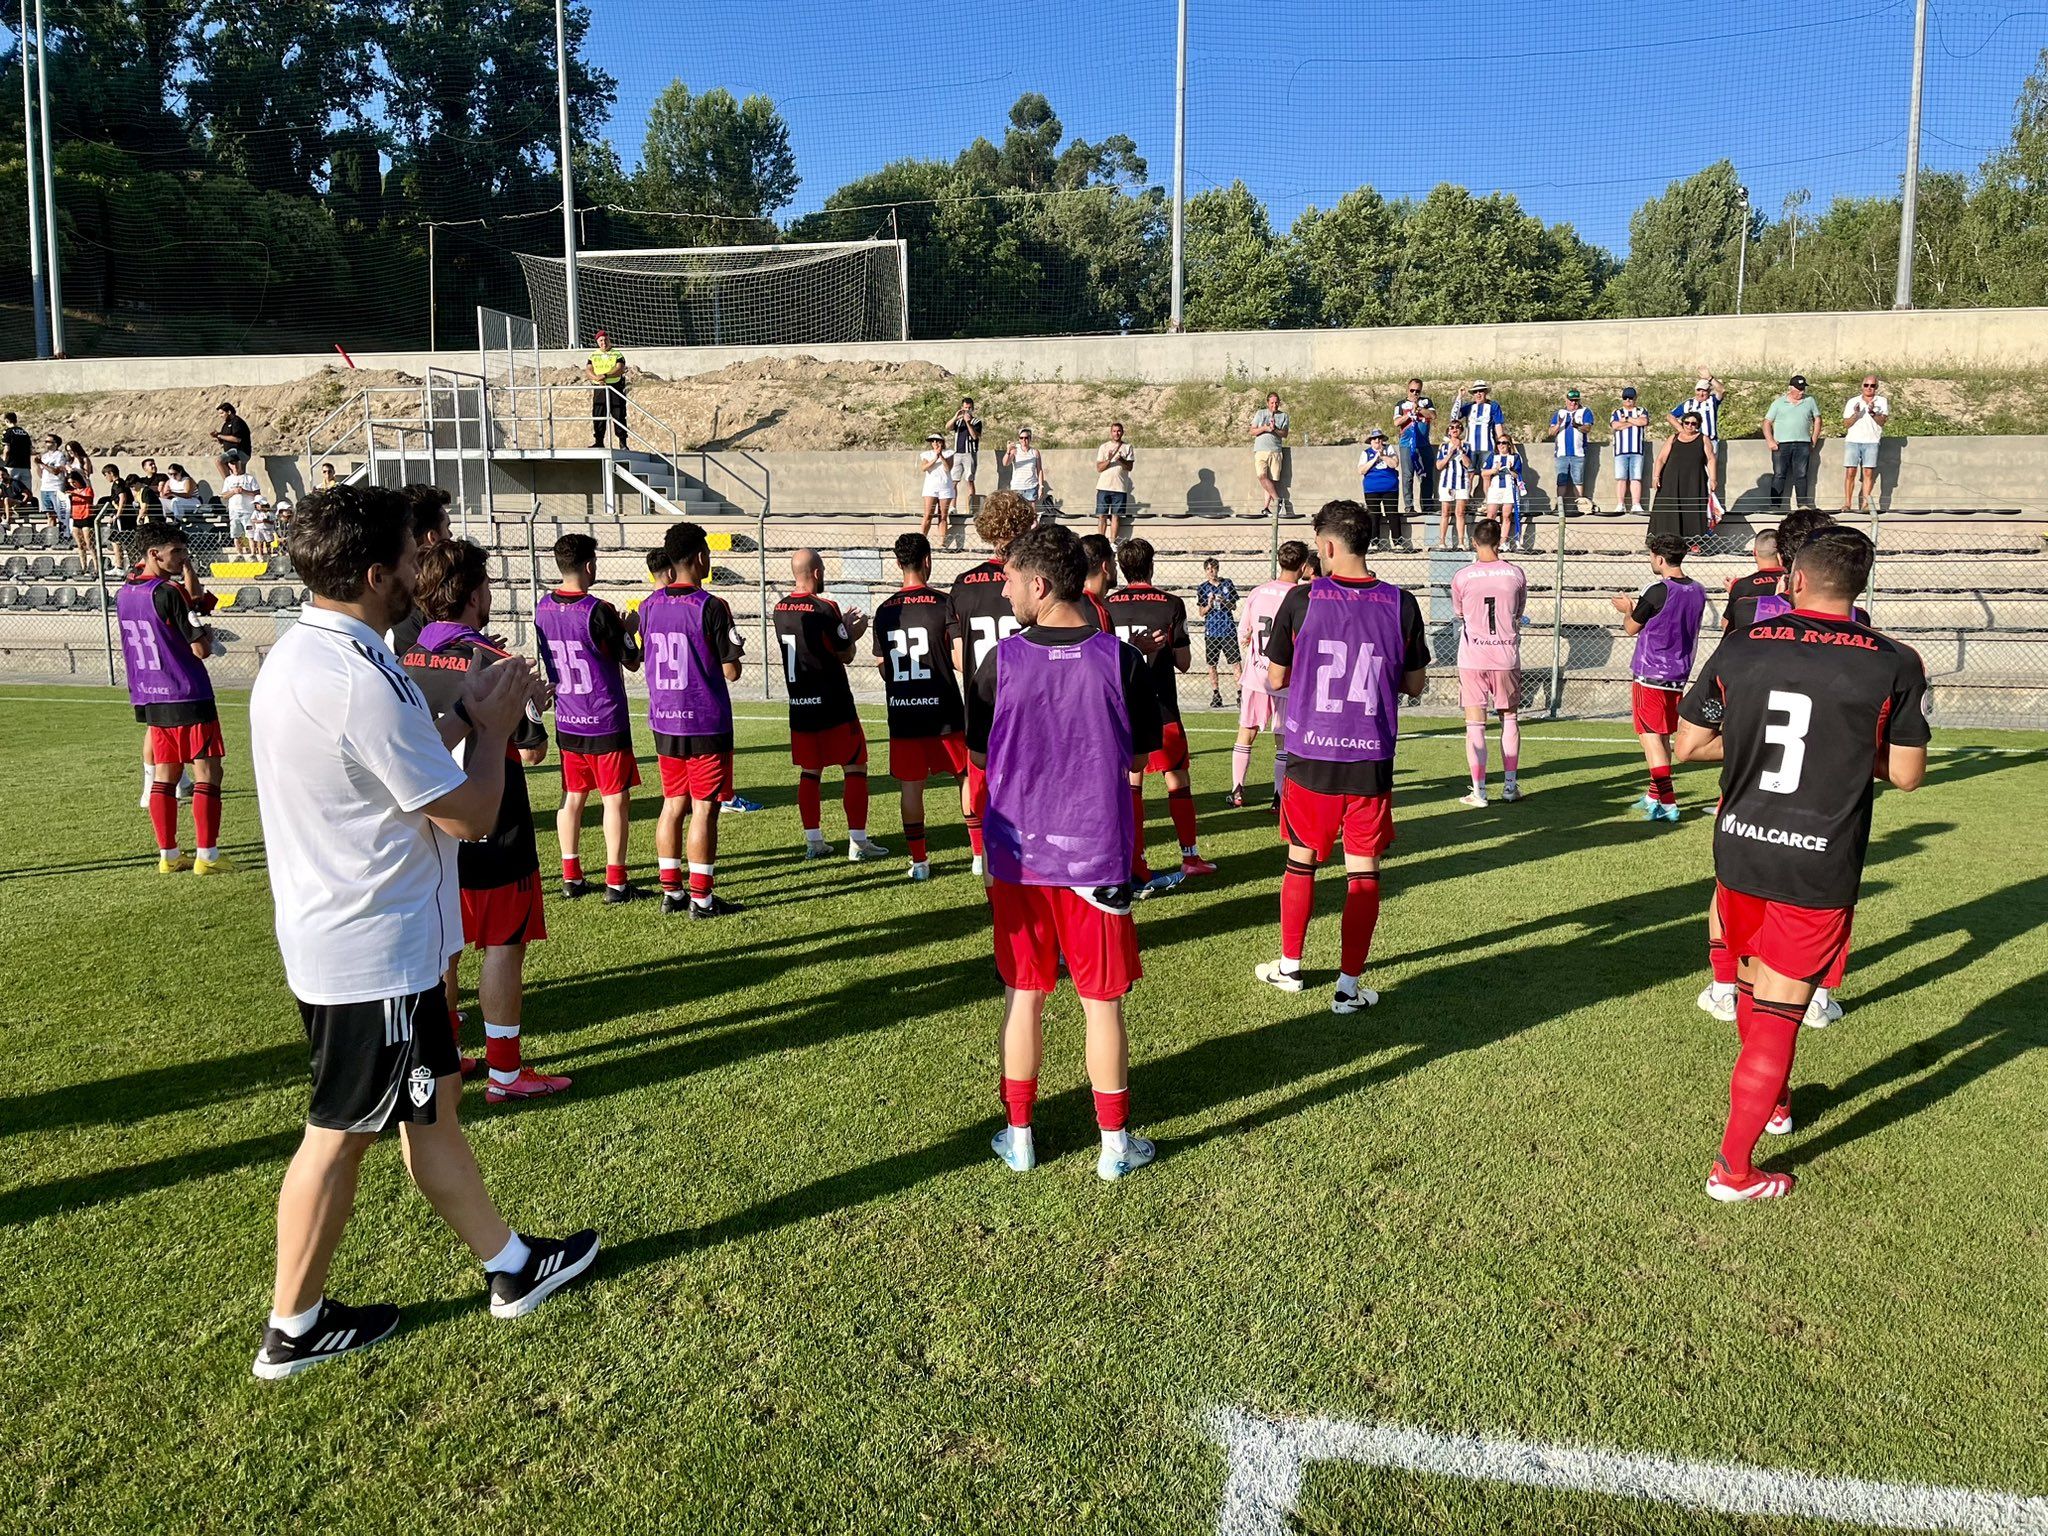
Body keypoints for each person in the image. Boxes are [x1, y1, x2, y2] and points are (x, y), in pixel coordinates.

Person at [246, 484, 596, 1379]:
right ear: (373, 573)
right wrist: (497, 726)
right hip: (376, 948)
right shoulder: (354, 676)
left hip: (359, 938)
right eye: (409, 555)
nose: (420, 568)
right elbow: (472, 815)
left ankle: (512, 1265)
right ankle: (294, 1326)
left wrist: (463, 706)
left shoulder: (311, 655)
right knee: (340, 1131)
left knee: (432, 1107)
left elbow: (396, 742)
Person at [1676, 527, 1928, 1201]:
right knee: (1783, 1007)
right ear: (1860, 588)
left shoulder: (1743, 643)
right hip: (1816, 858)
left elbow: (1689, 742)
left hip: (1741, 844)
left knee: (1758, 988)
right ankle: (1733, 1171)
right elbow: (1905, 775)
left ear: (1796, 581)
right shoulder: (1893, 660)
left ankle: (1779, 1103)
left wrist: (1750, 743)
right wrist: (1844, 754)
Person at [968, 523, 1161, 1182]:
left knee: (1025, 993)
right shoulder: (1124, 660)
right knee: (1099, 1003)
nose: (1006, 594)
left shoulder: (1000, 663)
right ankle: (1113, 1146)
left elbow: (978, 759)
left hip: (1019, 856)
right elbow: (1135, 761)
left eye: (1011, 582)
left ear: (1041, 585)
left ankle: (1019, 1135)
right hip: (1094, 859)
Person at [398, 540, 570, 1107]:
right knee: (503, 941)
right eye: (489, 586)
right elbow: (532, 750)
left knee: (446, 941)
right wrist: (533, 703)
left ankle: (446, 1056)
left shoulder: (402, 657)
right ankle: (505, 1071)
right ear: (474, 594)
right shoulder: (492, 660)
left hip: (429, 823)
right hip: (494, 822)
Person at [1255, 499, 1430, 1013]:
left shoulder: (1302, 599)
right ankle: (1348, 988)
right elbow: (1415, 685)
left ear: (1327, 546)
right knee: (1364, 871)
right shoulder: (1401, 603)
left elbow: (1276, 678)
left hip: (1311, 753)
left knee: (1301, 859)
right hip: (1370, 757)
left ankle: (1290, 967)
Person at [642, 522, 745, 917]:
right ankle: (702, 899)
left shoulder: (649, 605)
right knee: (703, 809)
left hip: (665, 720)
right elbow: (731, 671)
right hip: (704, 721)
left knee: (672, 804)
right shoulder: (711, 605)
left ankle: (672, 891)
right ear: (700, 557)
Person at [538, 533, 642, 904]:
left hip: (568, 718)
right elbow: (631, 661)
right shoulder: (599, 611)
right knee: (615, 799)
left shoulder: (542, 607)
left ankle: (571, 876)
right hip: (603, 718)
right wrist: (628, 630)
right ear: (588, 565)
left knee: (573, 798)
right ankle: (616, 882)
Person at [118, 522, 227, 874]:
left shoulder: (124, 593)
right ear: (155, 554)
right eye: (177, 552)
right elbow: (200, 649)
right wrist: (208, 637)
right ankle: (207, 857)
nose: (183, 558)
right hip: (187, 692)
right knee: (208, 773)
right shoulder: (167, 591)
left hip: (151, 692)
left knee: (164, 776)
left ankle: (168, 855)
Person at [1108, 538, 1215, 888]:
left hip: (1123, 709)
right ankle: (1190, 856)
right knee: (1177, 779)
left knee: (1132, 784)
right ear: (1151, 565)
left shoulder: (1106, 606)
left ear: (1120, 567)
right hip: (1162, 707)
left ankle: (1137, 859)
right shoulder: (1170, 604)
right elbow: (1183, 663)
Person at [776, 548, 886, 862]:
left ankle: (814, 842)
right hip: (834, 704)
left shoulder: (779, 608)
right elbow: (845, 654)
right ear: (817, 572)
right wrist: (852, 634)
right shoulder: (825, 607)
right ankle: (859, 843)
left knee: (810, 772)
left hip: (800, 704)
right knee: (855, 766)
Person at [950, 492, 1039, 875]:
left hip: (984, 701)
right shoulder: (1034, 579)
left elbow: (958, 658)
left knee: (982, 784)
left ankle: (978, 855)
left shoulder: (963, 584)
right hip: (1029, 699)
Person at [872, 531, 969, 881]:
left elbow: (884, 668)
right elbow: (959, 660)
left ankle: (919, 861)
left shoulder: (884, 612)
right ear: (928, 560)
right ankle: (977, 854)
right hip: (944, 709)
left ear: (899, 564)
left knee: (911, 787)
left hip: (904, 712)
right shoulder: (944, 604)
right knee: (965, 775)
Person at [1611, 533, 1706, 823]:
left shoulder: (1657, 590)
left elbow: (1631, 628)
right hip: (1679, 674)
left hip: (1651, 673)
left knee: (1651, 740)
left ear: (1660, 558)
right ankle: (1654, 795)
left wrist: (1627, 610)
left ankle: (1667, 802)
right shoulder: (1699, 590)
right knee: (1662, 736)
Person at [1227, 539, 1313, 810]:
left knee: (1246, 734)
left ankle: (1237, 791)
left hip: (1257, 677)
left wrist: (1252, 644)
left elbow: (1243, 634)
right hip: (1287, 678)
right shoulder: (1303, 597)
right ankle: (1278, 797)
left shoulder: (1258, 592)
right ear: (1303, 567)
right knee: (1283, 741)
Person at [1450, 518, 1527, 807]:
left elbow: (1459, 613)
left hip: (1473, 657)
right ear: (1500, 541)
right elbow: (1519, 610)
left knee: (1475, 724)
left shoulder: (1462, 576)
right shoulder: (1515, 573)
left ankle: (1479, 791)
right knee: (1509, 718)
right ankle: (1509, 786)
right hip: (1505, 656)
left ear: (1473, 541)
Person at [386, 485, 455, 654]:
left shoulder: (387, 594)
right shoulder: (430, 601)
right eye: (447, 527)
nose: (451, 535)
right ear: (433, 538)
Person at [1649, 410, 1715, 545]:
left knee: (1692, 511)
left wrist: (1713, 479)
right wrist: (1656, 476)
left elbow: (1711, 459)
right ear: (1682, 423)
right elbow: (1661, 458)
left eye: (1693, 424)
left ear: (1698, 425)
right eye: (1687, 423)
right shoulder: (1673, 438)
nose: (1690, 426)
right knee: (1667, 510)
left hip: (1694, 481)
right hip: (1671, 480)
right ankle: (1663, 542)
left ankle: (1694, 543)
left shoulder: (1703, 439)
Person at [1762, 374, 1823, 512]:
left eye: (1803, 389)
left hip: (1802, 443)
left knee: (1801, 475)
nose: (1801, 392)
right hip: (1782, 444)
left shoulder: (1810, 401)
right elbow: (1767, 423)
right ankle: (1775, 506)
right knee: (1779, 474)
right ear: (1790, 388)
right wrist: (1770, 440)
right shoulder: (1778, 403)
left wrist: (1813, 439)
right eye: (1798, 389)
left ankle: (1802, 506)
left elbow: (1817, 419)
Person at [1194, 557, 1241, 708]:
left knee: (1235, 663)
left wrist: (1224, 602)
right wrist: (1209, 604)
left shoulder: (1227, 583)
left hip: (1227, 629)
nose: (1211, 572)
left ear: (1218, 569)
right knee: (1212, 664)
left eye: (1213, 568)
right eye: (1208, 569)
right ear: (1205, 571)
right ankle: (1216, 694)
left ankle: (1240, 694)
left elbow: (1233, 606)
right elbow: (1201, 612)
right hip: (1212, 631)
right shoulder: (1202, 588)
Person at [1544, 387, 1595, 517]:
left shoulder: (1585, 411)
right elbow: (1550, 432)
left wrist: (1577, 425)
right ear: (1566, 400)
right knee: (1561, 481)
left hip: (1578, 453)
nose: (1573, 403)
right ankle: (1559, 506)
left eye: (1576, 401)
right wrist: (1558, 425)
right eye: (1571, 401)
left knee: (1578, 481)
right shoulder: (1559, 413)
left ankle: (1580, 506)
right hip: (1561, 453)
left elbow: (1588, 428)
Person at [1841, 374, 1889, 512]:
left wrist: (1873, 413)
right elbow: (1846, 424)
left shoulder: (1882, 401)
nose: (1869, 388)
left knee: (1868, 473)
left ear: (1876, 387)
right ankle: (1847, 503)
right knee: (1851, 472)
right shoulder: (1853, 402)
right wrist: (1856, 414)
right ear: (1862, 386)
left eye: (1872, 385)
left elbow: (1882, 422)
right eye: (1866, 385)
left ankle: (1865, 504)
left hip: (1871, 441)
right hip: (1853, 440)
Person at [1394, 379, 1436, 532]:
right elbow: (1396, 422)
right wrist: (1409, 414)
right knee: (1407, 475)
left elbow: (1432, 415)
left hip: (1423, 444)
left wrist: (1419, 410)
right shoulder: (1400, 404)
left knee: (1426, 475)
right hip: (1406, 444)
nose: (1414, 394)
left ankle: (1427, 504)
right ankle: (1409, 506)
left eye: (1417, 391)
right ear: (1407, 390)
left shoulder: (1426, 401)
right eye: (1412, 391)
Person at [1723, 530, 1784, 631]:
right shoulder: (1792, 581)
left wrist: (1734, 592)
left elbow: (1726, 625)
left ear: (1754, 552)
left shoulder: (1742, 586)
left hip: (1752, 642)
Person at [1481, 429, 1526, 550]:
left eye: (1504, 443)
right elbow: (1484, 473)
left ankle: (1503, 542)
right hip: (1495, 487)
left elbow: (1518, 475)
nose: (1501, 445)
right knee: (1490, 515)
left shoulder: (1515, 457)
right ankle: (1488, 541)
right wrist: (1494, 470)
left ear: (1509, 445)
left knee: (1506, 516)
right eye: (1499, 443)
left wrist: (1510, 470)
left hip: (1509, 488)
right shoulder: (1493, 456)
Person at [1356, 430, 1401, 551]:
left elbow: (1394, 464)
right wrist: (1375, 458)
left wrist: (1383, 456)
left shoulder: (1390, 449)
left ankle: (1397, 542)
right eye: (1374, 439)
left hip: (1390, 487)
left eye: (1380, 438)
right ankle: (1374, 542)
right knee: (1373, 515)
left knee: (1392, 514)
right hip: (1372, 488)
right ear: (1371, 441)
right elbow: (1361, 470)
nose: (1377, 441)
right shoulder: (1366, 453)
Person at [1610, 387, 1651, 515]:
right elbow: (1615, 425)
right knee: (1621, 478)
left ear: (1635, 399)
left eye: (1630, 398)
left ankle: (1636, 504)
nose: (1628, 400)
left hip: (1637, 450)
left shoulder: (1641, 410)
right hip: (1621, 451)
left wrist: (1626, 420)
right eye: (1625, 398)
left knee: (1636, 478)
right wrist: (1634, 422)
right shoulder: (1616, 412)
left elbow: (1643, 421)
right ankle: (1620, 504)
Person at [1435, 421, 1473, 551]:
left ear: (1461, 430)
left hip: (1462, 482)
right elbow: (1439, 466)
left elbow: (1468, 465)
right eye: (1452, 427)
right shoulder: (1443, 446)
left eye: (1457, 427)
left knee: (1460, 512)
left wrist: (1461, 451)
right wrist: (1450, 453)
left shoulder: (1467, 446)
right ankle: (1442, 541)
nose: (1454, 429)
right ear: (1448, 431)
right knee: (1445, 512)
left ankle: (1461, 542)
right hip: (1447, 482)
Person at [586, 329, 627, 449]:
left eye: (605, 339)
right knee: (598, 414)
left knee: (618, 414)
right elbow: (588, 370)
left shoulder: (617, 354)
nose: (604, 342)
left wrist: (606, 376)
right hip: (599, 388)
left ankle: (623, 443)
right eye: (601, 340)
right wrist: (597, 378)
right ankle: (599, 441)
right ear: (597, 342)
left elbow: (620, 368)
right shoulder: (593, 355)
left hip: (614, 387)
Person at [1094, 422, 1134, 540]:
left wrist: (1121, 459)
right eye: (1114, 431)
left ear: (1122, 432)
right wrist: (1109, 459)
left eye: (1119, 431)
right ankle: (1101, 541)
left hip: (1119, 487)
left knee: (1116, 516)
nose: (1117, 433)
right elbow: (1099, 468)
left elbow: (1130, 467)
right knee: (1102, 515)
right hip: (1104, 487)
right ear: (1111, 432)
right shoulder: (1104, 447)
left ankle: (1113, 541)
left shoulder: (1128, 447)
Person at [1452, 381, 1504, 472]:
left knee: (1486, 475)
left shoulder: (1493, 406)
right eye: (1475, 392)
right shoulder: (1469, 407)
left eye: (1481, 391)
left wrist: (1502, 444)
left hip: (1488, 448)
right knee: (1469, 474)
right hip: (1470, 448)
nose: (1478, 394)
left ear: (1486, 392)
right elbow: (1454, 417)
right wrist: (1459, 397)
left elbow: (1498, 426)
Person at [1251, 391, 1289, 514]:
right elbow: (1253, 431)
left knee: (1271, 480)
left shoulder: (1283, 416)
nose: (1274, 405)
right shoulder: (1260, 414)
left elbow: (1285, 434)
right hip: (1261, 450)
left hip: (1276, 451)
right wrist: (1265, 428)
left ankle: (1266, 507)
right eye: (1272, 402)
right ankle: (1278, 500)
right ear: (1267, 403)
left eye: (1276, 402)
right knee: (1262, 476)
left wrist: (1275, 429)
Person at [221, 461, 264, 560]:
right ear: (229, 466)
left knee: (250, 534)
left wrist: (243, 491)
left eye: (236, 463)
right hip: (234, 511)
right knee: (236, 535)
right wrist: (233, 491)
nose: (235, 466)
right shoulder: (228, 480)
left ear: (240, 464)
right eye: (232, 464)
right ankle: (239, 554)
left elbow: (257, 493)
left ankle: (253, 554)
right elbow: (224, 495)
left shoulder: (249, 478)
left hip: (248, 511)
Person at [918, 432, 956, 543]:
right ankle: (922, 540)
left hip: (945, 488)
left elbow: (948, 468)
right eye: (933, 441)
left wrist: (941, 456)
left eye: (937, 440)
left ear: (942, 442)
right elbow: (924, 468)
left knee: (943, 516)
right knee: (928, 514)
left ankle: (942, 542)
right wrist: (935, 457)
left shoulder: (949, 453)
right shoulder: (927, 454)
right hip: (931, 488)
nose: (935, 443)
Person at [950, 396, 984, 518]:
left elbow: (975, 437)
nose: (967, 410)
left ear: (973, 408)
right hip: (957, 453)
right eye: (965, 408)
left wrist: (968, 422)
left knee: (969, 480)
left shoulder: (976, 421)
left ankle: (971, 508)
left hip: (970, 453)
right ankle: (953, 507)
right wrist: (956, 416)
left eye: (969, 408)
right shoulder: (958, 422)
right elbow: (947, 427)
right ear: (962, 408)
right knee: (954, 481)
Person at [1001, 426, 1049, 510]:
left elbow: (1039, 470)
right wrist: (1008, 451)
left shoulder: (1035, 452)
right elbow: (1005, 463)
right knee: (1016, 514)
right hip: (1017, 487)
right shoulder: (1015, 450)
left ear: (1030, 439)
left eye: (1026, 438)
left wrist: (1041, 486)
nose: (1024, 440)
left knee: (1032, 514)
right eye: (1021, 438)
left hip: (1031, 487)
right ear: (1019, 439)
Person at [1671, 375, 1724, 445]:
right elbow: (1670, 416)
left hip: (1710, 441)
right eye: (1698, 390)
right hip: (1692, 441)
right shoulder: (1688, 403)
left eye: (1704, 391)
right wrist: (1682, 430)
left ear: (1709, 391)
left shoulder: (1713, 400)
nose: (1701, 394)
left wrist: (1710, 378)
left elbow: (1721, 390)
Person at [66, 468, 97, 567]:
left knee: (89, 544)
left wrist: (75, 494)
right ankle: (83, 566)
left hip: (86, 517)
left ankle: (97, 565)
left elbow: (89, 498)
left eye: (74, 482)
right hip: (76, 518)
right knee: (80, 545)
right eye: (70, 483)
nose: (73, 484)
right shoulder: (72, 492)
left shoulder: (87, 490)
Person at [212, 401, 253, 477]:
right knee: (239, 476)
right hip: (232, 453)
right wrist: (217, 436)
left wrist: (220, 436)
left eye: (222, 413)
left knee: (219, 461)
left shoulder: (237, 422)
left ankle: (228, 483)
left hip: (240, 452)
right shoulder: (226, 424)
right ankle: (234, 485)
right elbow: (223, 440)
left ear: (229, 412)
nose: (220, 416)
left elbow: (237, 439)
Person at [37, 433, 68, 527]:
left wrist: (42, 464)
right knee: (50, 514)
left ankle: (64, 534)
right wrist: (37, 465)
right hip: (45, 487)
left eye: (48, 442)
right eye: (45, 441)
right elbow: (41, 474)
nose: (46, 444)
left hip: (56, 487)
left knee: (60, 513)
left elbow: (56, 471)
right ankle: (52, 534)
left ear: (55, 443)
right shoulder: (45, 456)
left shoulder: (59, 456)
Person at [2, 411, 31, 494]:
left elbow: (7, 448)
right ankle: (26, 505)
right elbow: (30, 449)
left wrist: (4, 459)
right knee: (26, 490)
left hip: (12, 465)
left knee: (10, 489)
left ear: (7, 421)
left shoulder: (8, 432)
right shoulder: (25, 433)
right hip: (25, 466)